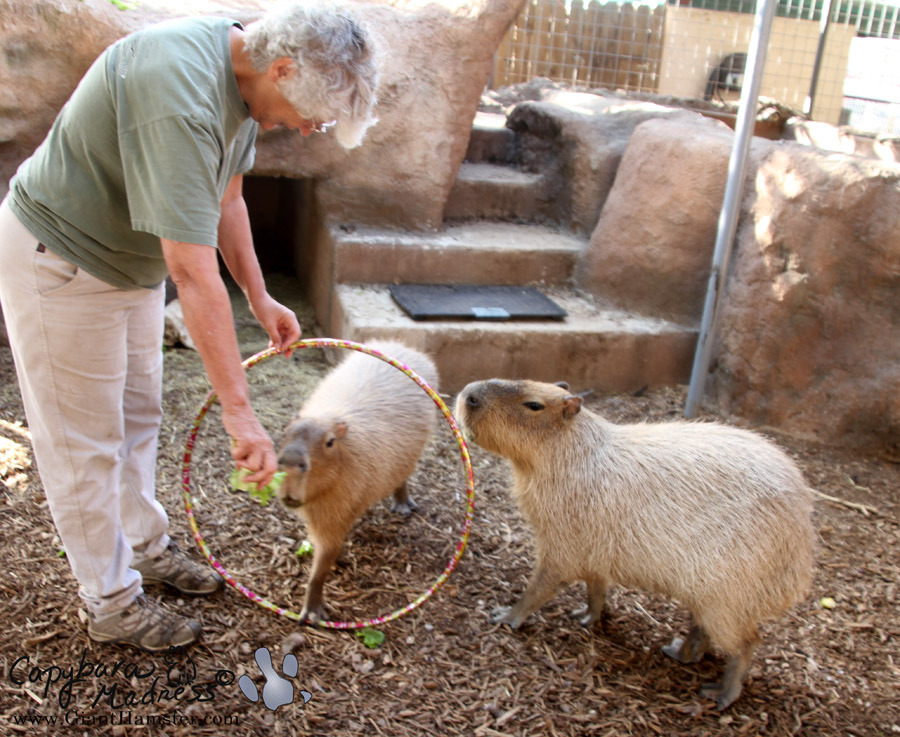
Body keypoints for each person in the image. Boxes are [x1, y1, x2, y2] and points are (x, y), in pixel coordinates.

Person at [0, 1, 380, 652]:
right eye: (315, 116)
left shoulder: (247, 74)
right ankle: (111, 601)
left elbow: (227, 198)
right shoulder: (180, 94)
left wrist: (260, 296)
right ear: (283, 68)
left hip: (129, 264)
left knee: (138, 414)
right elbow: (193, 271)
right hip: (63, 260)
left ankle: (144, 549)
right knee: (83, 443)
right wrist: (241, 413)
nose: (312, 129)